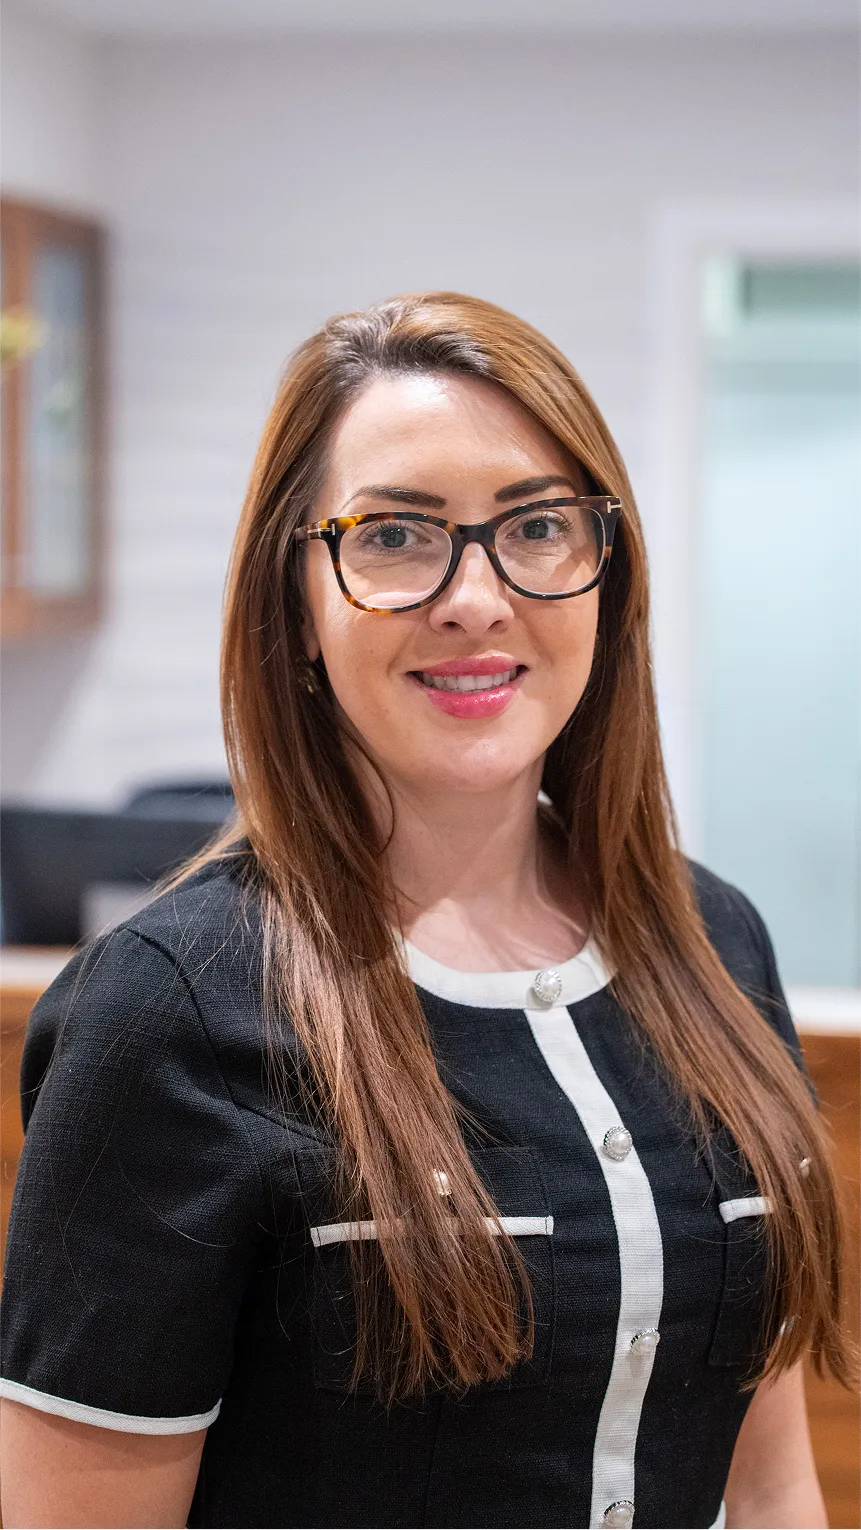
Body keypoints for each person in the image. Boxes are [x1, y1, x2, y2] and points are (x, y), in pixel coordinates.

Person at [0, 293, 853, 1530]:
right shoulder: (170, 1015)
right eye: (395, 536)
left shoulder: (712, 946)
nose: (476, 596)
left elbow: (767, 1480)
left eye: (537, 527)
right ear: (295, 598)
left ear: (607, 571)